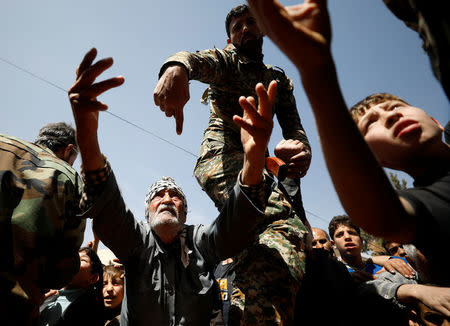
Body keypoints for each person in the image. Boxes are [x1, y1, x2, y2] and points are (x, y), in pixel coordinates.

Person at [246, 0, 450, 286]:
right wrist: (316, 70)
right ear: (372, 160)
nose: (389, 117)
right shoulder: (425, 207)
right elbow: (379, 215)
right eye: (371, 123)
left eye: (395, 108)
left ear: (435, 119)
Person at [68, 48, 275, 325]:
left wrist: (253, 158)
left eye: (175, 195)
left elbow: (236, 225)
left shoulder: (200, 242)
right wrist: (88, 138)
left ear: (186, 213)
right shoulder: (136, 241)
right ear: (147, 211)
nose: (167, 198)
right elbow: (109, 209)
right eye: (158, 195)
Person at [154, 4, 311, 323]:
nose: (244, 29)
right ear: (229, 38)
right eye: (236, 26)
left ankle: (247, 309)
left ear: (263, 29)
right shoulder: (228, 62)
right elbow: (197, 61)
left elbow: (294, 127)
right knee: (283, 224)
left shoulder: (276, 80)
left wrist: (300, 147)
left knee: (255, 239)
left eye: (250, 23)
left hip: (256, 162)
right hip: (220, 157)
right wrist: (176, 67)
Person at [0, 122, 85, 325]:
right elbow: (64, 263)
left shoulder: (2, 143)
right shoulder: (69, 176)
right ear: (69, 150)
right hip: (12, 302)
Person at [39, 247, 104, 326]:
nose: (73, 262)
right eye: (72, 258)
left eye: (82, 260)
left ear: (93, 278)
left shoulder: (89, 309)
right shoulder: (46, 295)